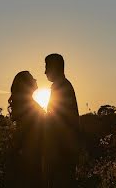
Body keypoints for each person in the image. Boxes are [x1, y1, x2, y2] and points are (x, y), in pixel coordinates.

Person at [44, 53, 80, 188]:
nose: (45, 72)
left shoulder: (61, 87)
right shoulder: (63, 85)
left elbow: (55, 119)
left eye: (47, 67)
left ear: (55, 67)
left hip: (62, 150)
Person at [5, 70, 45, 187]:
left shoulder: (28, 103)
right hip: (31, 156)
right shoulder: (28, 105)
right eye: (32, 78)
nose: (35, 80)